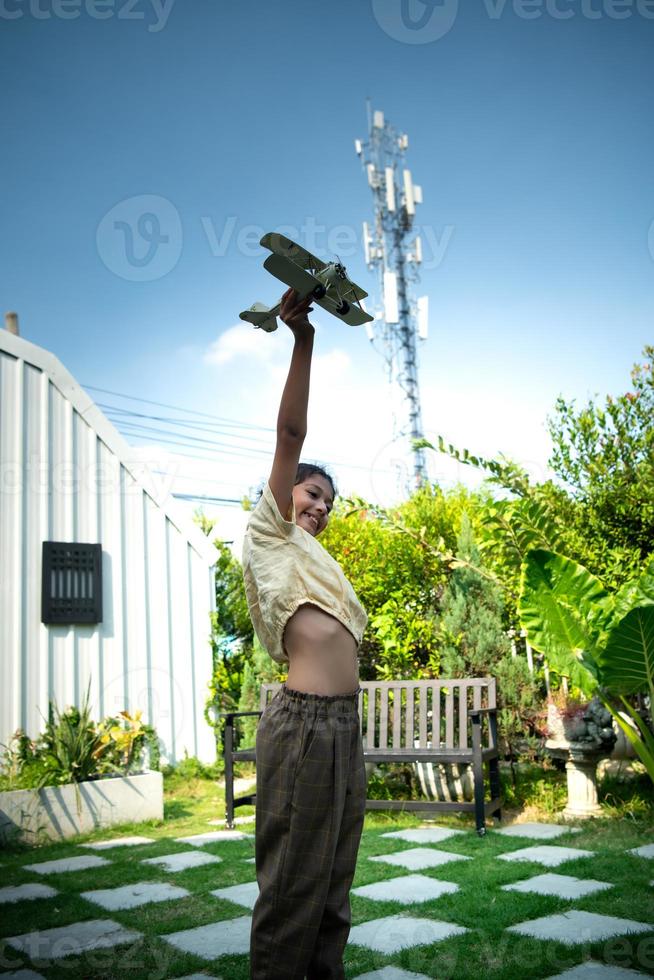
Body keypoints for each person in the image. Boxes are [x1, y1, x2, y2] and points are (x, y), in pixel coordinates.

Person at [242, 287, 368, 980]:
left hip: (344, 726)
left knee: (332, 895)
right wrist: (304, 341)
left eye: (328, 501)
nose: (320, 506)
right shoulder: (270, 531)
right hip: (303, 726)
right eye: (312, 493)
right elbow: (290, 436)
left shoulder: (318, 558)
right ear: (285, 492)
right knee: (293, 890)